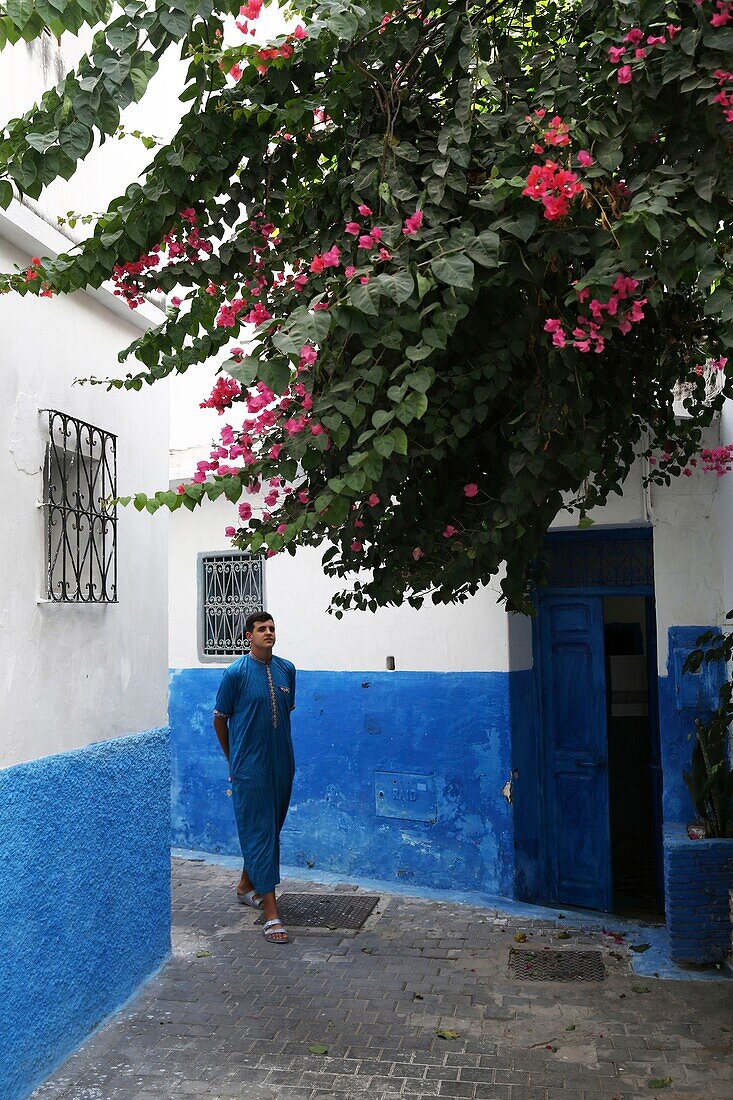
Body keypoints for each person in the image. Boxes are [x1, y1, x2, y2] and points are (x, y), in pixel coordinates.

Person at [213, 611, 296, 944]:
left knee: (270, 829)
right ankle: (272, 913)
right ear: (248, 636)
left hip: (282, 763)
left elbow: (284, 713)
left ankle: (246, 886)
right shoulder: (235, 674)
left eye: (272, 628)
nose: (268, 633)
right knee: (260, 832)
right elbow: (220, 719)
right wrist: (233, 758)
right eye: (261, 629)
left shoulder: (286, 669)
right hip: (249, 767)